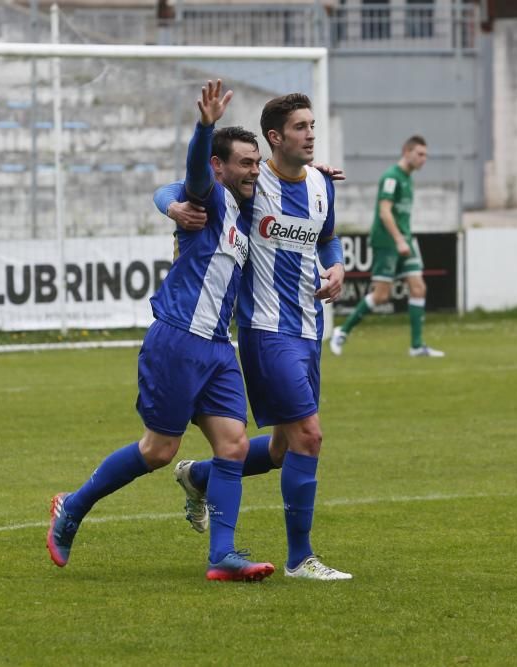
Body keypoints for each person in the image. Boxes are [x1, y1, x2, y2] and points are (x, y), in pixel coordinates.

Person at [48, 80, 274, 582]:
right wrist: (205, 127)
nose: (253, 171)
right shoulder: (209, 200)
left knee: (234, 446)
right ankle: (72, 506)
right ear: (220, 167)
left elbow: (282, 182)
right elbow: (190, 177)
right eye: (244, 162)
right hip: (177, 339)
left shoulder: (245, 208)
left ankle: (223, 555)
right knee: (158, 450)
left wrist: (313, 173)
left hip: (217, 347)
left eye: (257, 163)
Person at [169, 92, 351, 581]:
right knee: (309, 436)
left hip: (309, 329)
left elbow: (327, 235)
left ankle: (199, 477)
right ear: (276, 137)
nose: (310, 134)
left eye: (312, 125)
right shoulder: (250, 185)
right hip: (265, 330)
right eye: (300, 127)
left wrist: (336, 266)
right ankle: (300, 559)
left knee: (280, 450)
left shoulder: (321, 184)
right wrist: (172, 202)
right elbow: (178, 185)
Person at [329, 135, 444, 358]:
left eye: (426, 156)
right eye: (420, 154)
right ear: (406, 151)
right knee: (381, 296)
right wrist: (399, 240)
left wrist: (405, 239)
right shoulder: (391, 177)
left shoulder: (408, 178)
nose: (424, 159)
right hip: (388, 242)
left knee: (418, 287)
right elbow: (384, 211)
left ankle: (417, 346)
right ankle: (342, 331)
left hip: (404, 240)